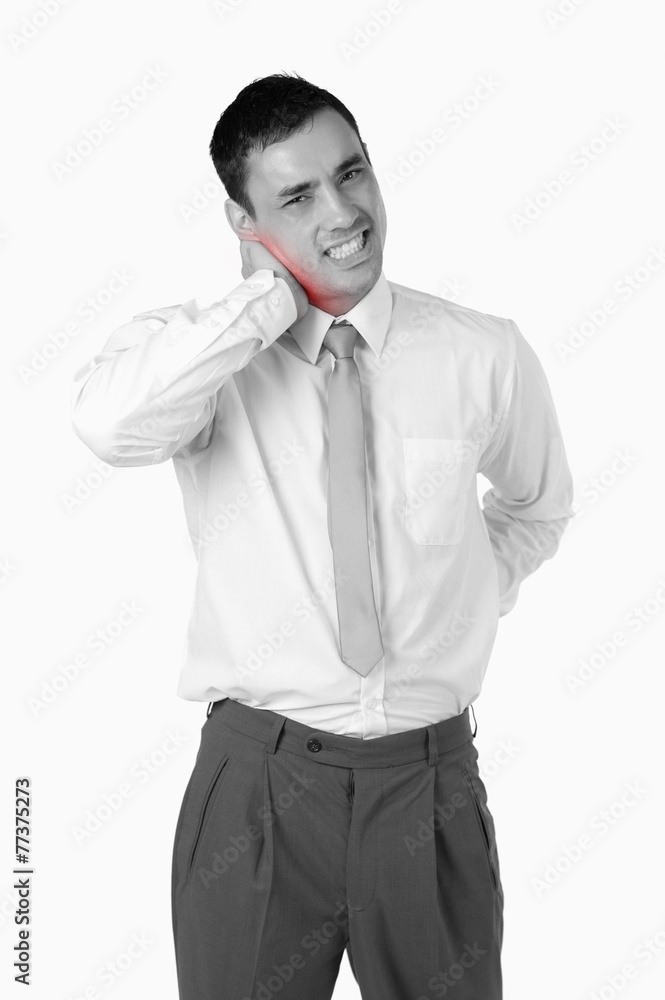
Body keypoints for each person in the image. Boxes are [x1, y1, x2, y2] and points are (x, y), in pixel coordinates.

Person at [70, 72, 575, 1000]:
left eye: (351, 174)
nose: (344, 214)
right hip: (259, 791)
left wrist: (466, 595)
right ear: (243, 221)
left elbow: (536, 507)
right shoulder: (206, 358)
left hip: (428, 787)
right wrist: (269, 304)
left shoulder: (481, 352)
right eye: (297, 197)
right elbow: (108, 426)